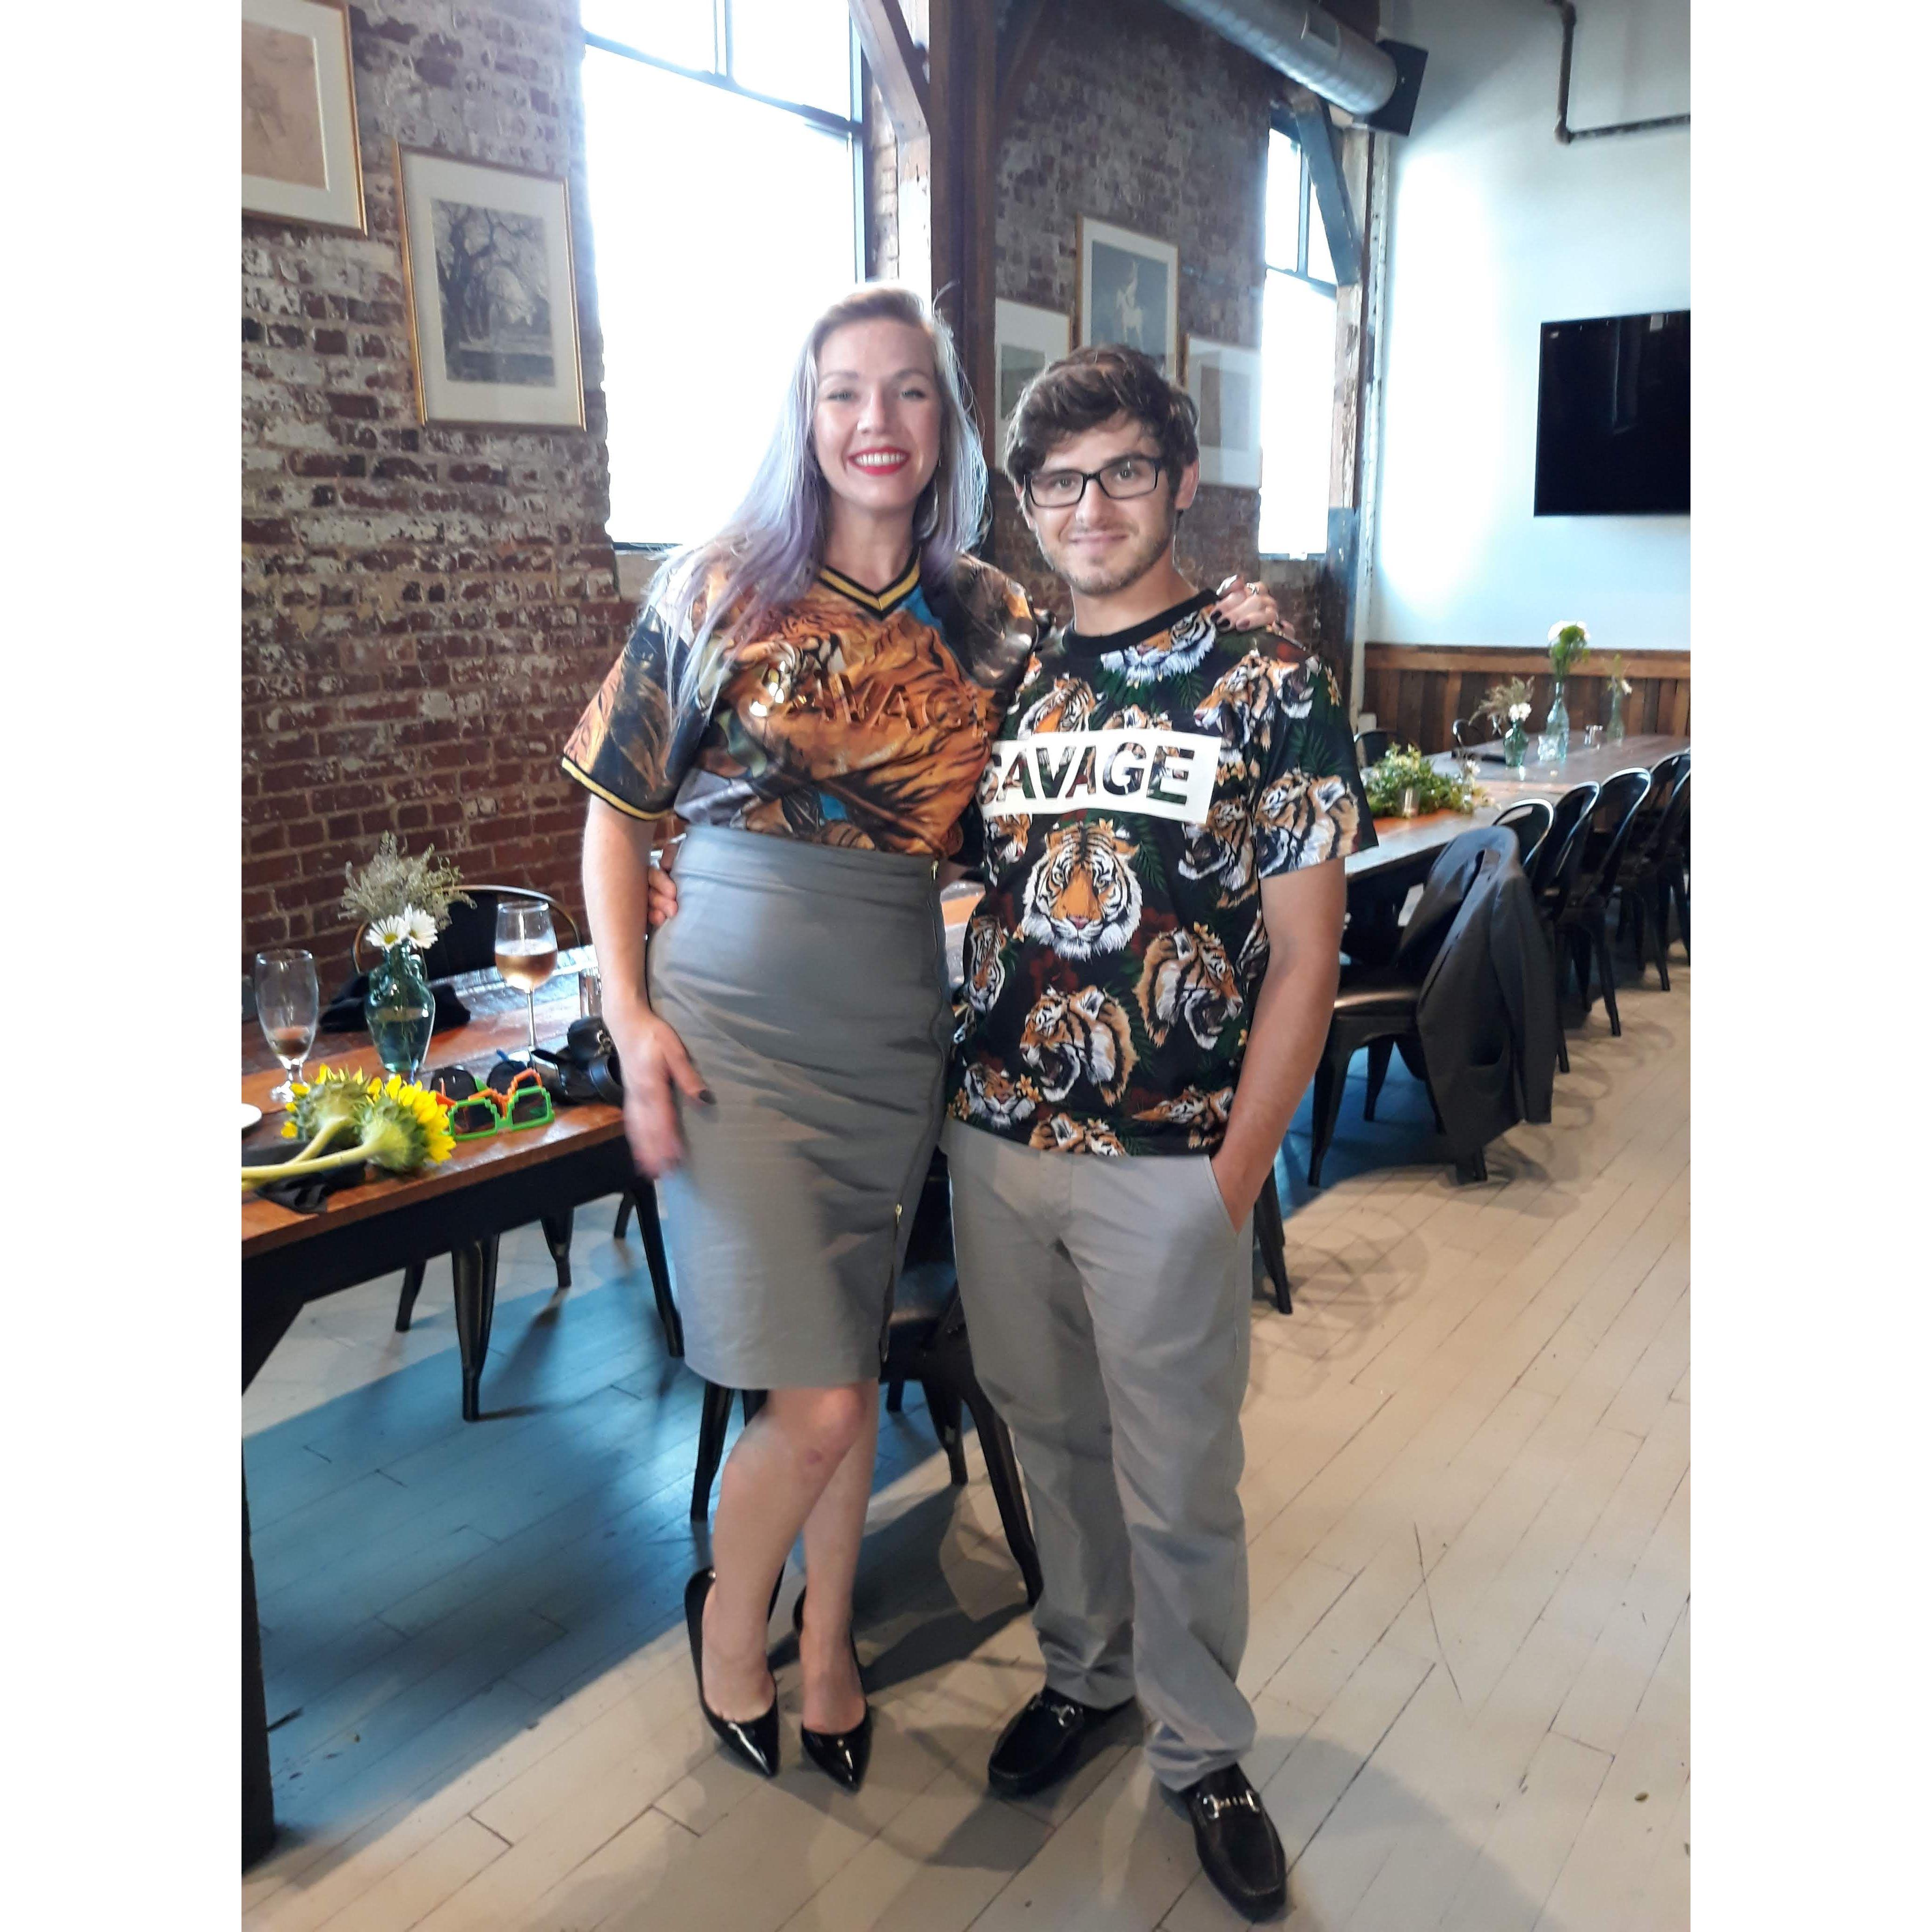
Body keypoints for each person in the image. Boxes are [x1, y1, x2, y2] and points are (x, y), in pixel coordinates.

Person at [563, 286, 1279, 1795]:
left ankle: (830, 1647)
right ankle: (731, 1621)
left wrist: (1233, 623)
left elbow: (1118, 684)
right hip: (736, 1029)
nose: (873, 421)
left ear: (944, 423)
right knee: (825, 1403)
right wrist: (629, 1016)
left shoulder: (991, 619)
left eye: (905, 391)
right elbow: (615, 817)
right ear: (805, 415)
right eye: (842, 391)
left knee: (835, 1362)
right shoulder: (720, 584)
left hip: (898, 1024)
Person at [941, 345, 1375, 1920]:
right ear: (1028, 502)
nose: (1092, 507)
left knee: (1180, 1476)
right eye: (1060, 482)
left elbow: (1308, 958)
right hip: (998, 1137)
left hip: (1172, 1157)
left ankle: (1203, 1750)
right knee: (1051, 1441)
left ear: (1181, 483)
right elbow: (948, 860)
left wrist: (1233, 1180)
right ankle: (1089, 1674)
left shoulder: (1268, 681)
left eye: (1125, 472)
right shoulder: (1009, 680)